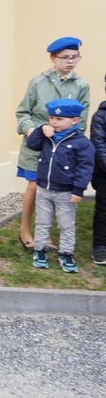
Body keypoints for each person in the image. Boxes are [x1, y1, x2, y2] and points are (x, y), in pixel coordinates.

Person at [15, 37, 89, 252]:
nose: (70, 62)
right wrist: (33, 130)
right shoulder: (38, 82)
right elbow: (23, 113)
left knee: (55, 188)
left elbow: (82, 119)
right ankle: (25, 231)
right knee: (33, 186)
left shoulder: (82, 85)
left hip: (63, 148)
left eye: (74, 57)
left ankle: (45, 234)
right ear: (53, 59)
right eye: (65, 57)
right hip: (37, 144)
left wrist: (65, 135)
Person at [27, 98, 94, 273]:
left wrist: (78, 189)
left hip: (66, 191)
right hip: (44, 188)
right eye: (51, 118)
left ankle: (66, 253)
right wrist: (40, 130)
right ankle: (40, 250)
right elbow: (31, 144)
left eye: (59, 119)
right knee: (42, 221)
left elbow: (85, 167)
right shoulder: (47, 136)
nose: (54, 123)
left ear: (74, 121)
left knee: (66, 224)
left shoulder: (82, 143)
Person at [90, 81, 106, 266]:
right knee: (103, 210)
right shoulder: (101, 116)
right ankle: (101, 246)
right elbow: (99, 143)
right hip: (103, 173)